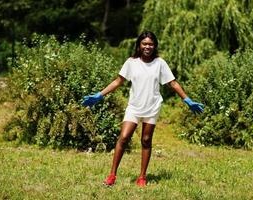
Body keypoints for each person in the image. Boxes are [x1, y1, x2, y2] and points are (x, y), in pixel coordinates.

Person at [82, 31, 204, 187]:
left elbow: (172, 83)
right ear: (139, 45)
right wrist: (100, 95)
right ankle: (112, 175)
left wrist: (187, 99)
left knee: (146, 140)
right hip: (134, 107)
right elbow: (118, 81)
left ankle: (142, 177)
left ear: (155, 46)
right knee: (124, 137)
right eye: (144, 43)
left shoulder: (160, 63)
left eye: (151, 44)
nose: (148, 46)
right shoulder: (131, 62)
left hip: (152, 107)